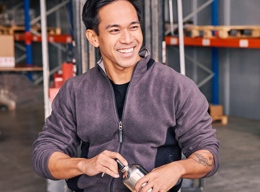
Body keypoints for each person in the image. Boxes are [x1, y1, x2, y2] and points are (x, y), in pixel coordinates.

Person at [32, 0, 219, 191]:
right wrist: (83, 165)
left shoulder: (176, 87)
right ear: (93, 37)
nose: (128, 39)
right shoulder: (75, 91)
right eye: (115, 30)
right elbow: (44, 154)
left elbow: (208, 155)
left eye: (134, 27)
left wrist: (177, 168)